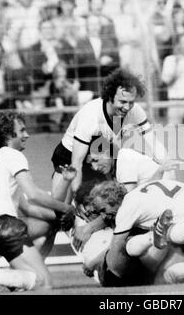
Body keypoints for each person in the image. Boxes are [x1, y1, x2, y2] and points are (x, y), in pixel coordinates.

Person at [50, 68, 170, 250]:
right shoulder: (90, 116)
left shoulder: (134, 111)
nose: (127, 107)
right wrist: (77, 200)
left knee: (112, 207)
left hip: (100, 162)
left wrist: (167, 167)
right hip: (70, 161)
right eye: (122, 101)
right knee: (60, 215)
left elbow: (154, 143)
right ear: (109, 96)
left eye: (131, 102)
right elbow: (76, 165)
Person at [0, 111, 74, 294]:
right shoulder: (13, 155)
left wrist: (58, 217)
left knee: (49, 227)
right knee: (44, 285)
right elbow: (34, 195)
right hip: (5, 225)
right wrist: (66, 208)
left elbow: (25, 206)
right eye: (22, 130)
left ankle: (13, 279)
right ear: (9, 134)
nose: (27, 135)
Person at [81, 179, 184, 286]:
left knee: (160, 278)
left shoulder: (126, 209)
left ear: (113, 201)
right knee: (167, 269)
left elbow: (116, 250)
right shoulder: (141, 192)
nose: (104, 217)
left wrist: (92, 263)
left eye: (103, 210)